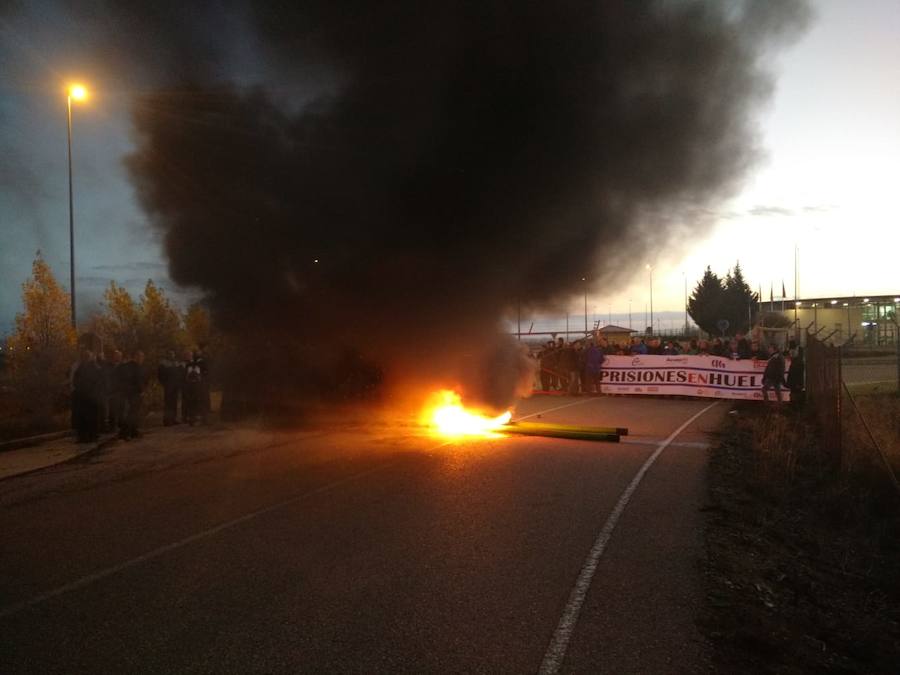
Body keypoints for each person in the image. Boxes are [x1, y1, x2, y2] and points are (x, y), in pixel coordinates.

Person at [72, 349, 102, 443]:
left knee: (91, 417)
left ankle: (92, 435)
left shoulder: (95, 368)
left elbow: (98, 382)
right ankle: (84, 436)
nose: (85, 358)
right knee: (83, 417)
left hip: (91, 397)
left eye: (87, 356)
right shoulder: (81, 367)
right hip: (83, 397)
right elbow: (76, 380)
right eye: (84, 356)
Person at [117, 350, 145, 439]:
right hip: (134, 393)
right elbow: (138, 380)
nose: (142, 359)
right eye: (141, 357)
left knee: (133, 412)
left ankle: (132, 431)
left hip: (128, 392)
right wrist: (141, 391)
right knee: (132, 413)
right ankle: (127, 433)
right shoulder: (135, 367)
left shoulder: (126, 366)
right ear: (136, 357)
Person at [157, 349, 183, 426]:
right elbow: (160, 375)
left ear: (174, 354)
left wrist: (179, 383)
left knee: (174, 402)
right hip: (168, 385)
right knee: (168, 403)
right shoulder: (163, 363)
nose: (171, 355)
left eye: (173, 354)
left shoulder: (177, 363)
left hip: (176, 385)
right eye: (170, 354)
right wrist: (164, 384)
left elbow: (180, 373)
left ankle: (173, 419)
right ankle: (167, 420)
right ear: (167, 354)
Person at [183, 350, 204, 424]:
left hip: (195, 385)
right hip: (189, 385)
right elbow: (185, 376)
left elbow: (199, 376)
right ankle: (190, 417)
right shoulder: (186, 365)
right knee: (190, 401)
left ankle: (194, 417)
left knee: (195, 400)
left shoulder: (196, 366)